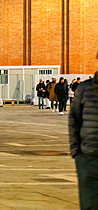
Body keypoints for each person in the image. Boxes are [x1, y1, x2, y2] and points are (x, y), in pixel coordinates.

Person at [68, 60, 96, 210]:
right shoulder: (85, 89)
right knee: (89, 203)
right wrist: (76, 151)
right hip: (88, 156)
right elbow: (74, 119)